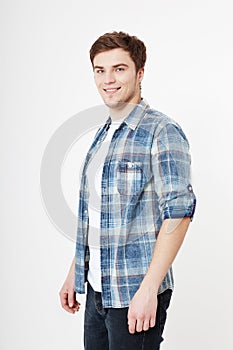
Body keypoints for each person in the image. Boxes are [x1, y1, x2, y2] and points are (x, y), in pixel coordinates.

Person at [59, 31, 196, 350]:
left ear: (140, 73)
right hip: (97, 293)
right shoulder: (104, 134)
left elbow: (179, 214)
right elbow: (98, 216)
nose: (108, 79)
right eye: (99, 70)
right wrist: (75, 272)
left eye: (119, 69)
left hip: (135, 292)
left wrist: (149, 290)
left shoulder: (162, 131)